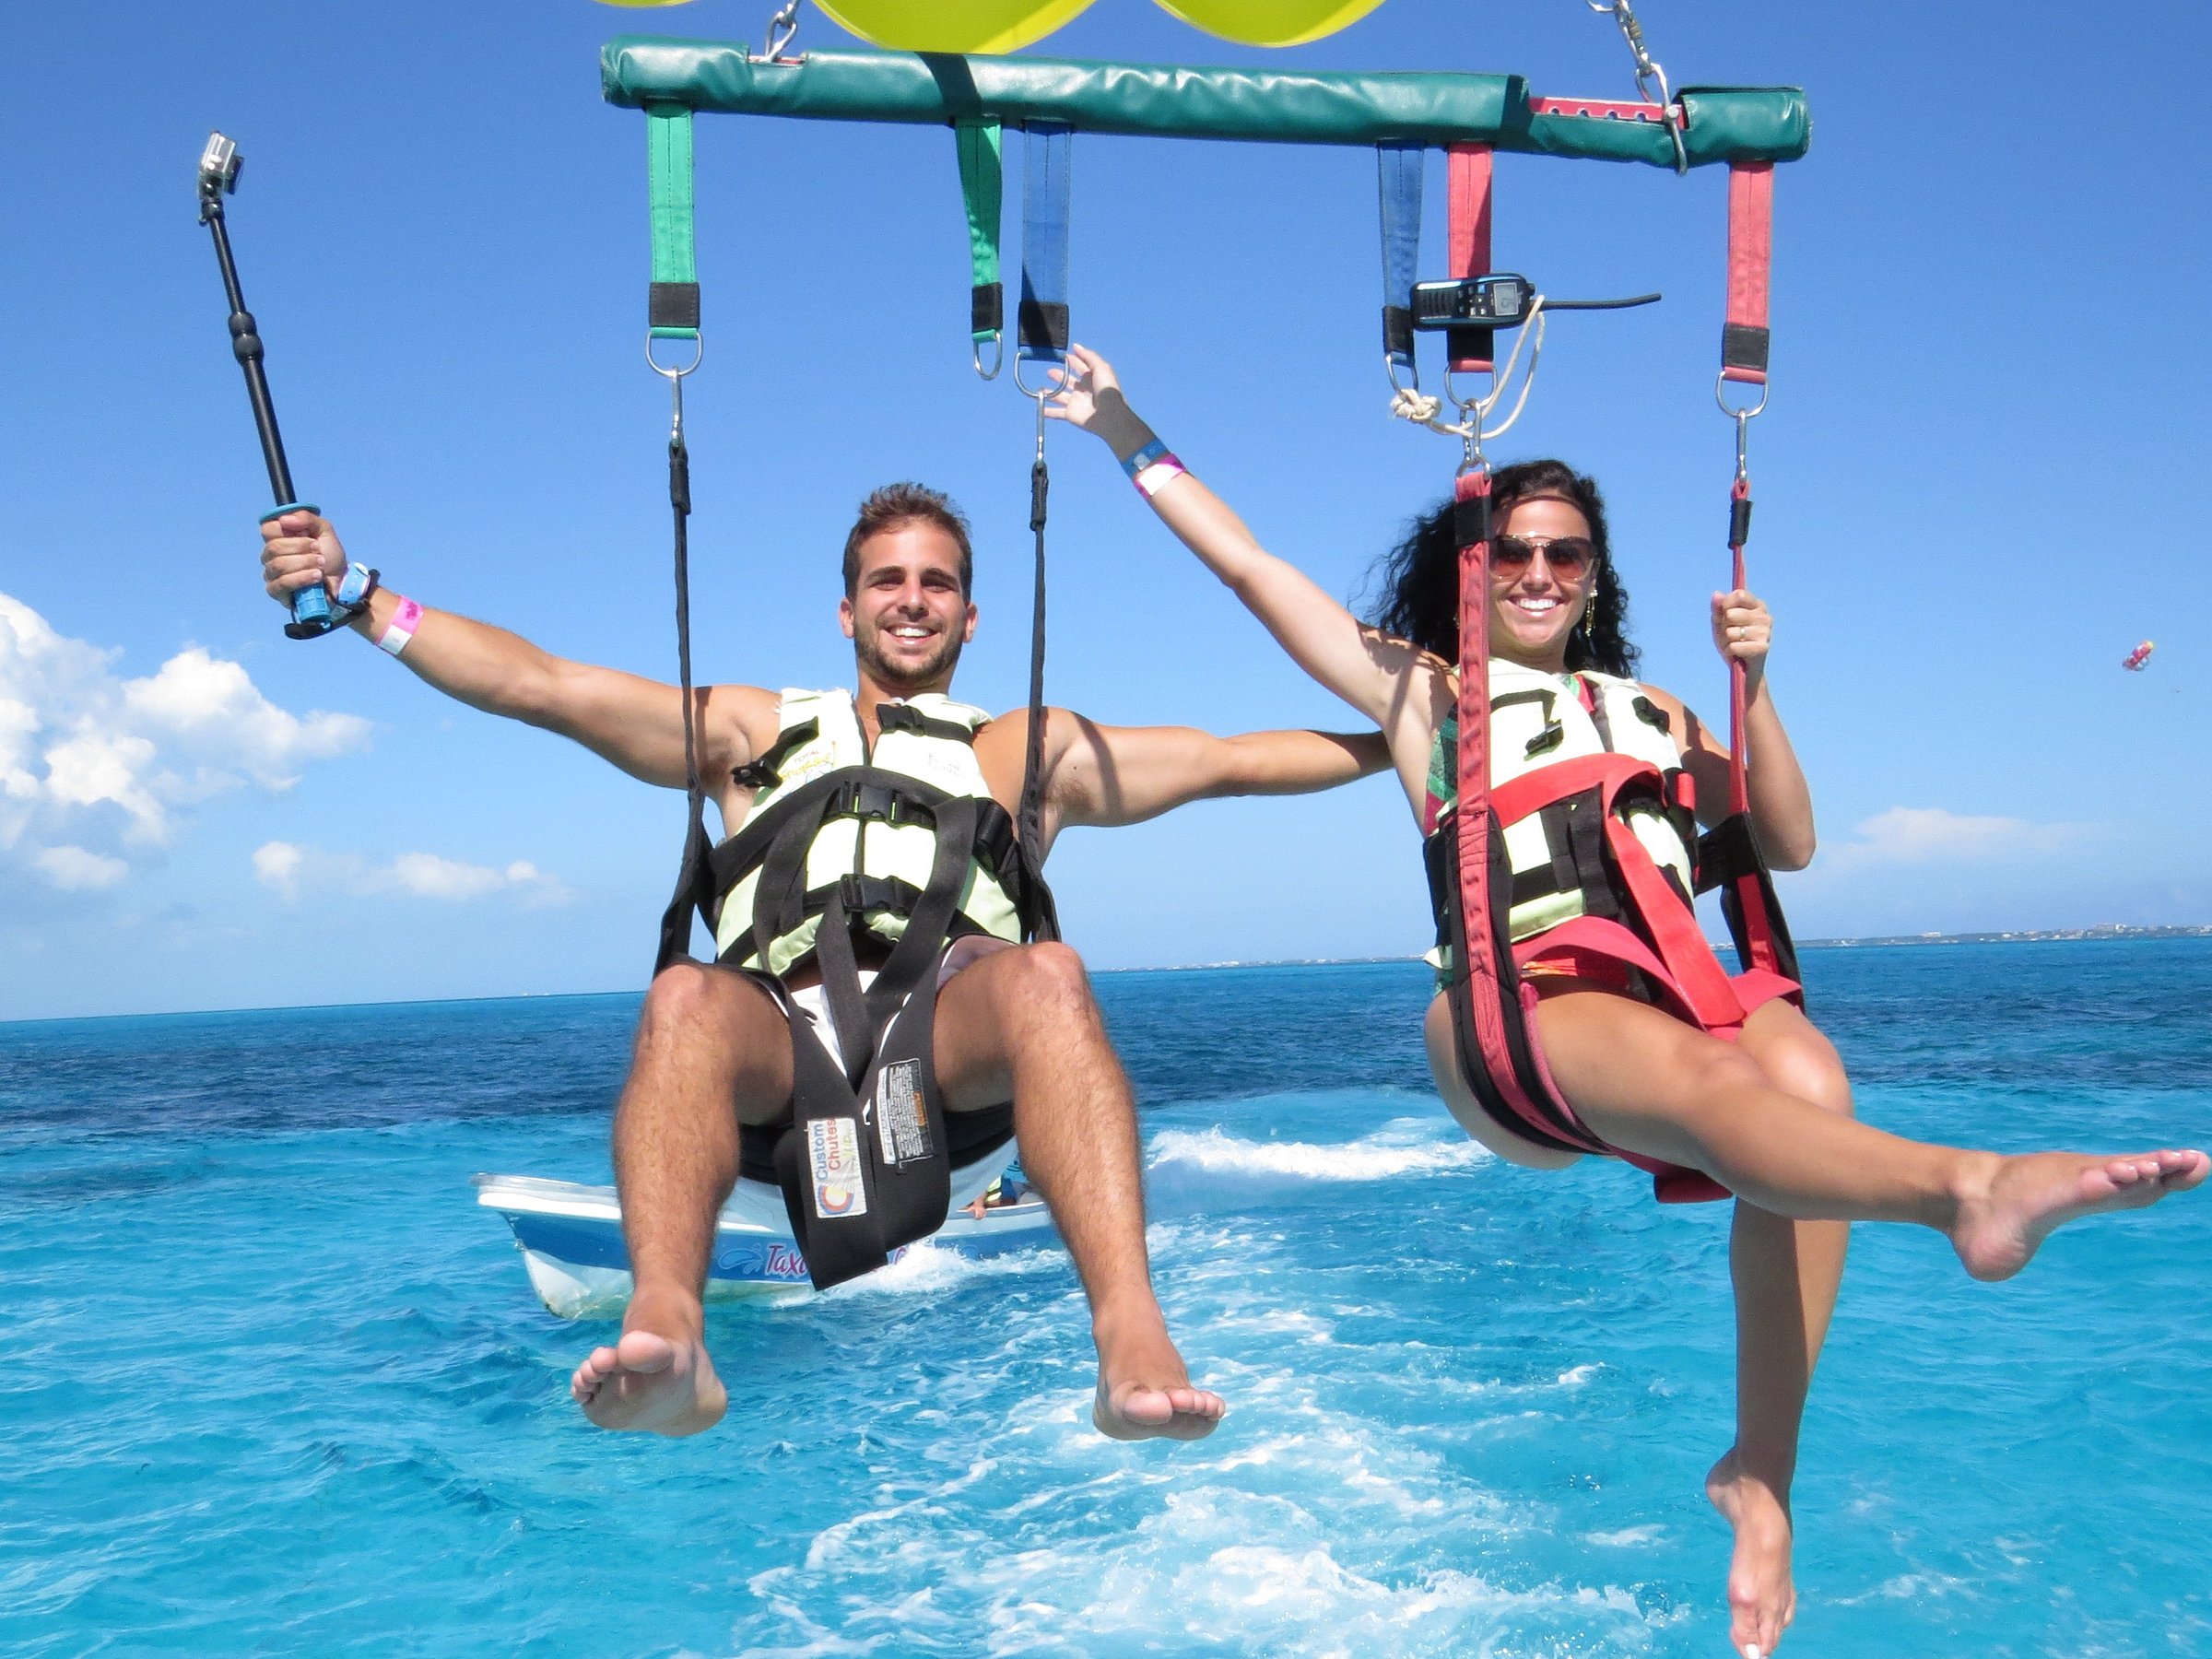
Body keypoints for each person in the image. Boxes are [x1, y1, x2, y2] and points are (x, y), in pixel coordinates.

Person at [1048, 344, 2207, 1656]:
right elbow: (1255, 569)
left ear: (1596, 579)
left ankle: (1759, 1474)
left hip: (1678, 989)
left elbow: (1788, 837)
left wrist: (1754, 686)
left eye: (1568, 555)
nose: (1540, 572)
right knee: (1729, 1094)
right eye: (1514, 551)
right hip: (1519, 1010)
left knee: (1812, 1080)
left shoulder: (1650, 707)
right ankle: (1967, 1189)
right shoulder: (1430, 694)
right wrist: (1122, 427)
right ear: (1470, 570)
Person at [258, 482, 1389, 1445]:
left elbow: (1235, 760)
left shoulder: (1020, 750)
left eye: (936, 582)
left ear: (971, 615)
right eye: (889, 581)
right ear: (846, 607)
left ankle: (1127, 1332)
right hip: (777, 1063)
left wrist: (1427, 736)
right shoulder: (753, 732)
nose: (912, 600)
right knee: (682, 994)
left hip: (949, 1069)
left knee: (1051, 972)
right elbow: (544, 686)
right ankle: (673, 1329)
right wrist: (362, 598)